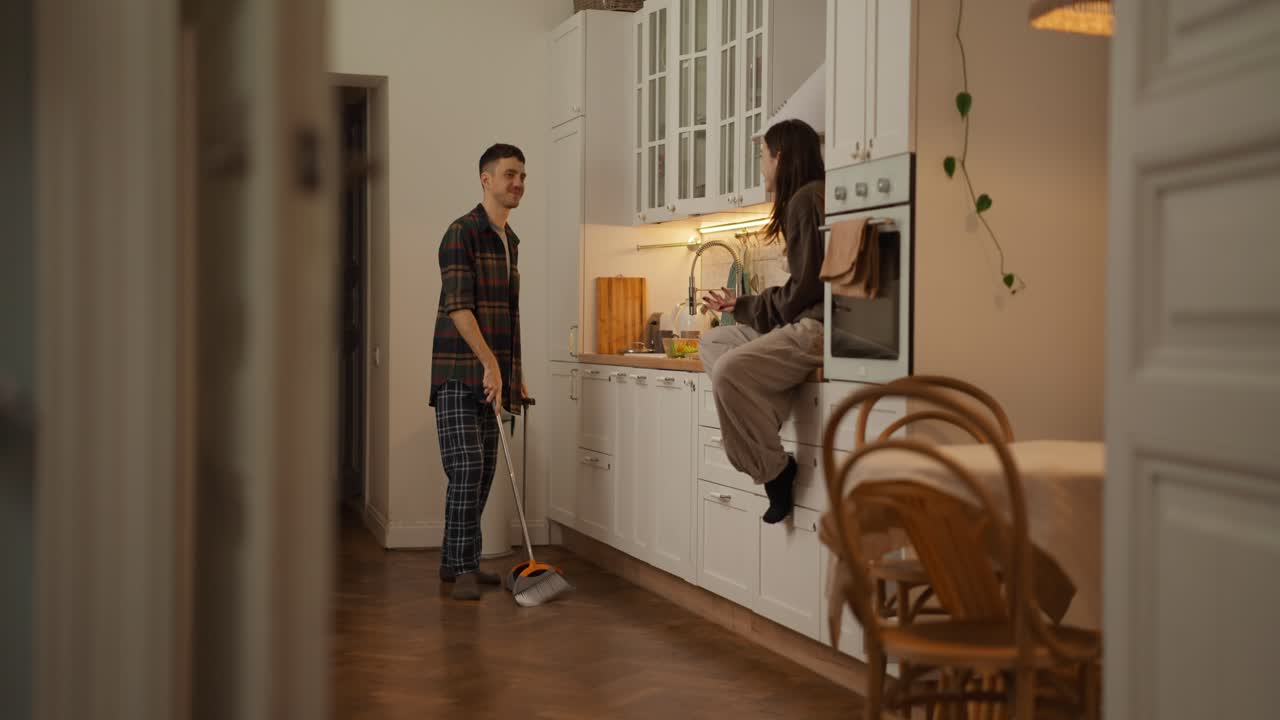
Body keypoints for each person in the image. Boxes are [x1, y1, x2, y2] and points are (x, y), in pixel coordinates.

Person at [699, 119, 825, 524]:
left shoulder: (807, 199)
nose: (760, 164)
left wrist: (752, 306)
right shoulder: (802, 200)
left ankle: (775, 471)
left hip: (818, 329)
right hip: (799, 321)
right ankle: (763, 430)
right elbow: (798, 288)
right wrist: (745, 306)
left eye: (762, 154)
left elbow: (806, 291)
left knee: (729, 370)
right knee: (714, 344)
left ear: (780, 157)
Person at [429, 143, 528, 601]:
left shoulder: (509, 242)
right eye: (509, 175)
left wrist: (513, 371)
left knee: (483, 470)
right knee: (466, 467)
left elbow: (508, 315)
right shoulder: (460, 233)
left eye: (522, 176)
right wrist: (490, 364)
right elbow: (459, 307)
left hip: (493, 376)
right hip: (457, 372)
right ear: (486, 179)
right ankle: (467, 565)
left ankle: (454, 562)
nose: (517, 184)